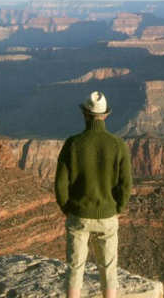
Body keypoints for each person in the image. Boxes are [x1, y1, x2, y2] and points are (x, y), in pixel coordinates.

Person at [54, 91, 133, 298]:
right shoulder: (118, 145)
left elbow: (60, 183)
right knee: (108, 268)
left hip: (78, 215)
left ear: (85, 114)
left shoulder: (73, 144)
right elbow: (126, 184)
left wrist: (67, 208)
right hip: (107, 216)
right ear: (105, 115)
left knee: (75, 267)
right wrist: (118, 208)